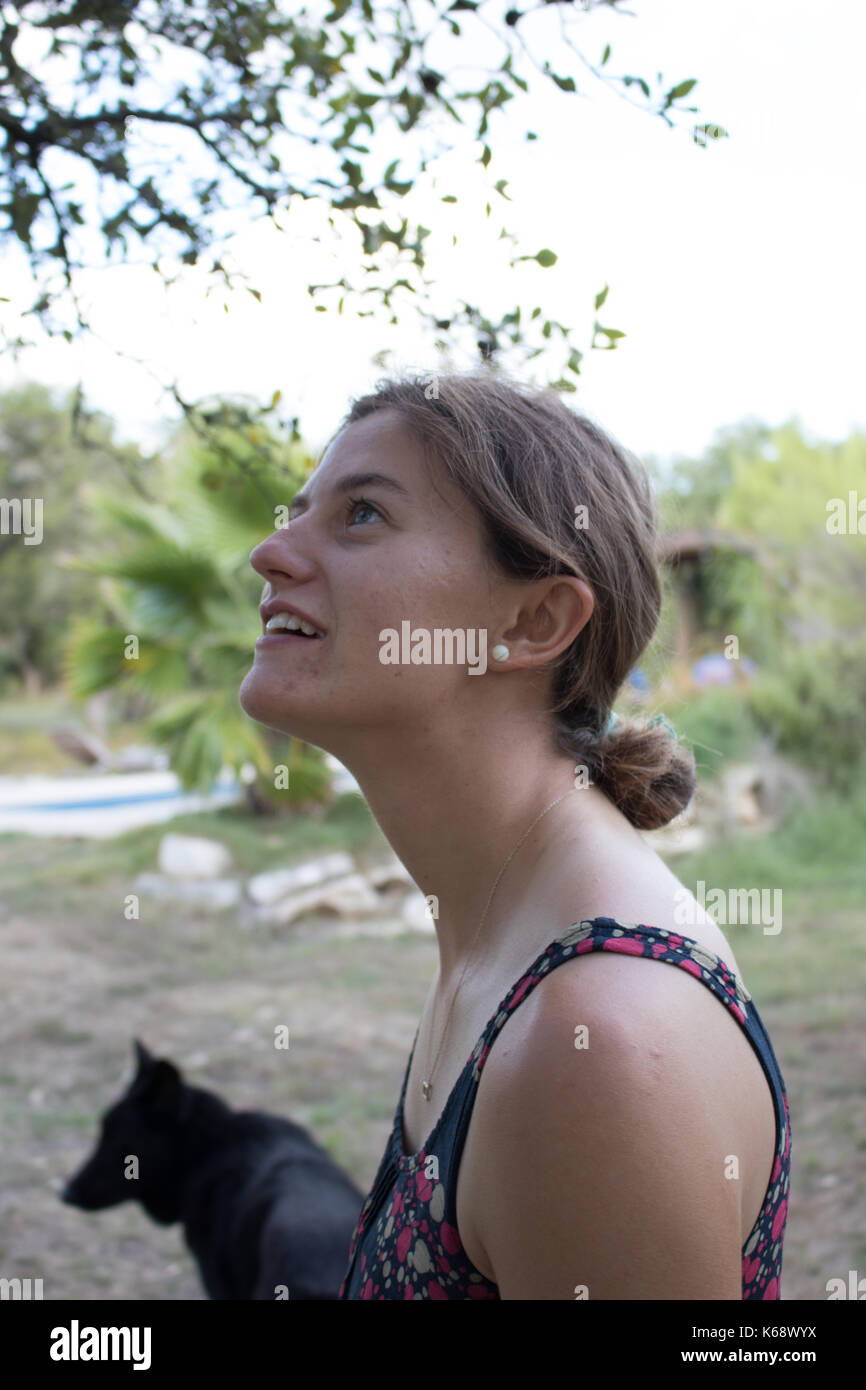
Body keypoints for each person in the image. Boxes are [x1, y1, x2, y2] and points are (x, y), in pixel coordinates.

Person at [238, 369, 791, 1300]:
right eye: (298, 511)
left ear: (533, 621)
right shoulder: (506, 932)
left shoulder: (594, 1042)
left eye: (363, 514)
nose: (269, 552)